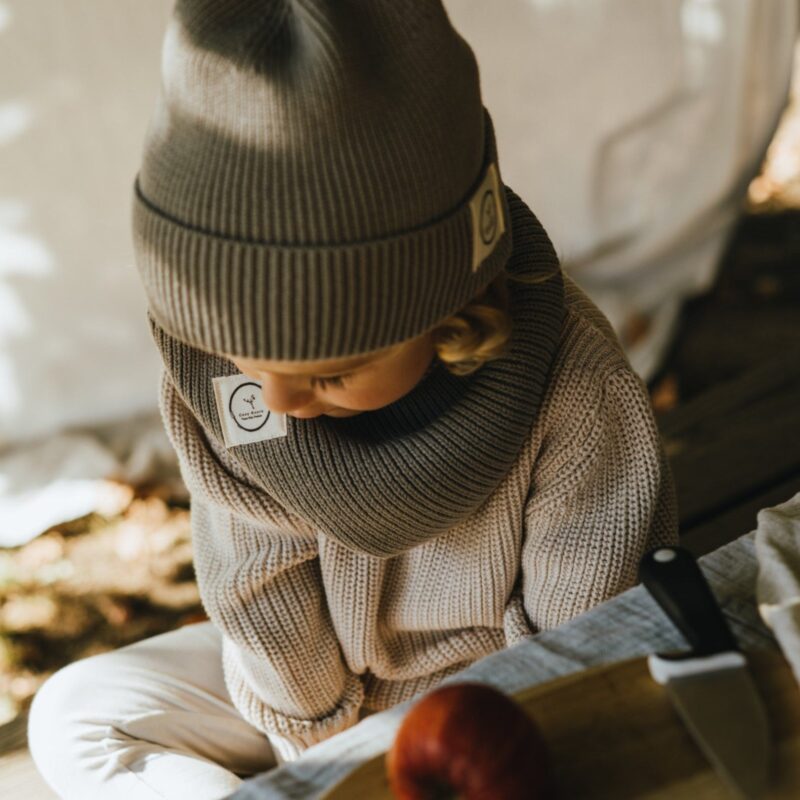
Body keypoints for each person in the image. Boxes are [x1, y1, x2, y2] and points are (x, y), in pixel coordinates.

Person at [28, 1, 678, 797]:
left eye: (332, 374)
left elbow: (585, 639)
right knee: (75, 712)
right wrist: (318, 754)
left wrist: (437, 756)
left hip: (493, 697)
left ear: (454, 311)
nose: (279, 401)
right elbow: (255, 589)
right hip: (308, 699)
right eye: (252, 363)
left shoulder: (572, 389)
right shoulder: (237, 386)